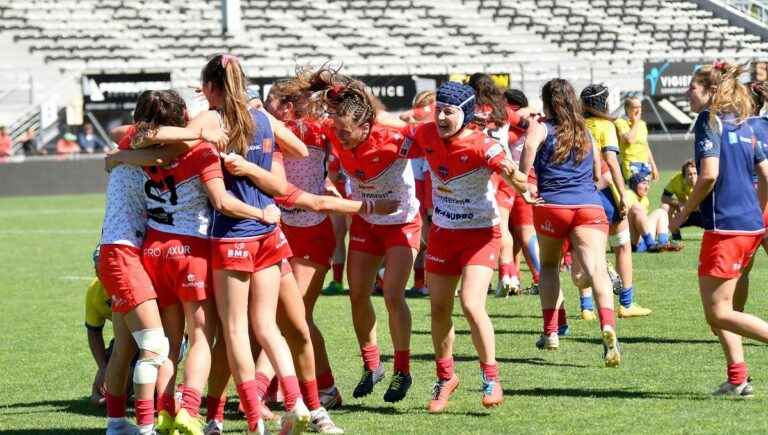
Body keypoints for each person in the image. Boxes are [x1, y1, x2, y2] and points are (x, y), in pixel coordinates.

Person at [107, 88, 287, 435]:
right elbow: (221, 201)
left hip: (152, 250)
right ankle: (188, 411)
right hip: (190, 250)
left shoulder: (135, 149)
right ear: (181, 120)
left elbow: (130, 137)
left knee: (167, 343)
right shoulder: (202, 151)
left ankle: (161, 413)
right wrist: (261, 213)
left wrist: (117, 157)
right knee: (203, 335)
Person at [405, 81, 531, 412]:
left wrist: (520, 183)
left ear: (465, 114)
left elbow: (511, 172)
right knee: (439, 310)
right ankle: (446, 377)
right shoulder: (426, 134)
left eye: (450, 111)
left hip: (480, 234)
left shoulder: (482, 145)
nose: (442, 117)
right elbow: (395, 126)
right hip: (444, 235)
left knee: (471, 304)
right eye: (439, 110)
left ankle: (491, 377)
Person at [316, 72, 420, 404]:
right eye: (338, 132)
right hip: (365, 222)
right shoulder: (334, 134)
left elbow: (434, 146)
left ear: (366, 126)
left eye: (347, 134)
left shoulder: (396, 136)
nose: (340, 139)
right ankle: (371, 365)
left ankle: (402, 370)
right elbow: (326, 164)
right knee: (357, 294)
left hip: (402, 221)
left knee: (392, 295)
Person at [670, 61, 768, 398]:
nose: (687, 93)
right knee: (724, 310)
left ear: (710, 91)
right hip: (751, 226)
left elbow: (708, 174)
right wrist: (756, 210)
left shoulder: (709, 121)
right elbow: (766, 174)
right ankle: (737, 379)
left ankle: (739, 377)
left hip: (726, 228)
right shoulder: (744, 124)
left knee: (718, 313)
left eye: (693, 88)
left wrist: (684, 211)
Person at [519, 78, 621, 367]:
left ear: (547, 102)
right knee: (597, 269)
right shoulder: (585, 132)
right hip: (589, 206)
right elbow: (601, 176)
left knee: (550, 266)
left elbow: (528, 148)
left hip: (552, 206)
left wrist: (524, 183)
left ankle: (551, 332)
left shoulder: (541, 127)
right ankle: (608, 325)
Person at [581, 84, 651, 318]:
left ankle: (587, 307)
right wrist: (622, 196)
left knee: (589, 248)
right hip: (605, 190)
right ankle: (627, 304)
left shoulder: (576, 125)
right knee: (621, 245)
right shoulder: (606, 125)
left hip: (581, 192)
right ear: (605, 104)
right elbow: (611, 161)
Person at [468, 73, 530, 296]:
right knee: (503, 224)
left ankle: (498, 275)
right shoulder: (503, 110)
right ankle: (509, 274)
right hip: (506, 169)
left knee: (486, 227)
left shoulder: (470, 110)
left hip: (482, 170)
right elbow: (526, 125)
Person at [504, 88, 541, 294]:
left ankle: (539, 278)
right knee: (514, 232)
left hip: (522, 180)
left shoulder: (518, 120)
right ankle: (514, 277)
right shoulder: (530, 117)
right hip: (522, 180)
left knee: (525, 232)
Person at [85, 246, 115, 407]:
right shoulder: (94, 292)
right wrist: (103, 368)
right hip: (125, 341)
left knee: (132, 373)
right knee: (99, 390)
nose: (101, 273)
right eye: (98, 269)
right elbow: (94, 332)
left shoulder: (135, 284)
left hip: (160, 339)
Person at [625, 173, 677, 252]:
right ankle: (650, 244)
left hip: (641, 241)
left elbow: (642, 223)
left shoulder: (645, 199)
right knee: (636, 208)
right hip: (629, 241)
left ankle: (663, 243)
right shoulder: (628, 195)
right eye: (644, 184)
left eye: (648, 184)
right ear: (634, 185)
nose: (647, 187)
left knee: (661, 211)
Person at [614, 96, 659, 181]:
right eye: (635, 107)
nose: (638, 110)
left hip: (645, 164)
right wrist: (636, 122)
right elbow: (629, 140)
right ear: (627, 109)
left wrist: (653, 167)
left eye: (640, 107)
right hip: (631, 164)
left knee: (643, 192)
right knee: (637, 190)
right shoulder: (620, 122)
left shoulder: (642, 124)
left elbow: (646, 146)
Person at [661, 159, 701, 240]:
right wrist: (679, 203)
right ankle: (674, 235)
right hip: (683, 214)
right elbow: (664, 197)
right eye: (689, 174)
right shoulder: (676, 181)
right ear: (683, 176)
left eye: (695, 173)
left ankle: (714, 233)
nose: (693, 177)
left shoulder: (704, 180)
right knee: (665, 207)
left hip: (702, 214)